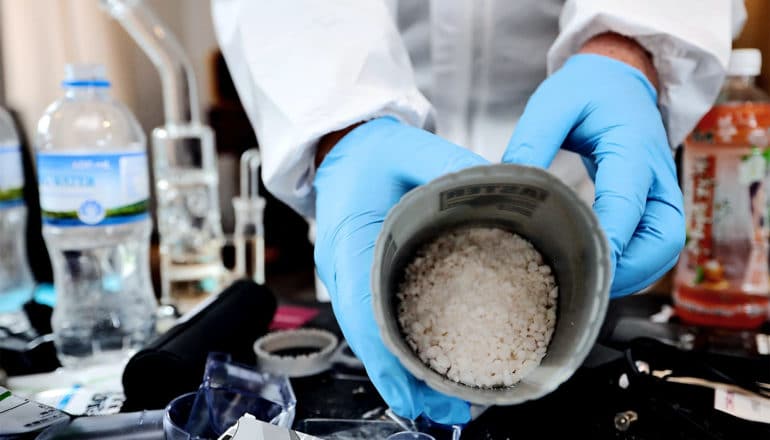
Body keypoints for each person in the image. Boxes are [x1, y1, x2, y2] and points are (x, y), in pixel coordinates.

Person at [212, 0, 747, 424]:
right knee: (368, 338)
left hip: (567, 170)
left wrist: (628, 48)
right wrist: (340, 128)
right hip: (379, 177)